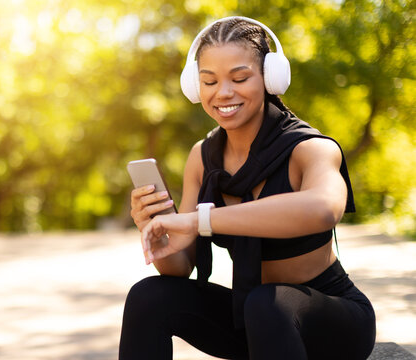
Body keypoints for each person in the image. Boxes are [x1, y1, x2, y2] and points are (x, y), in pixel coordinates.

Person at [118, 16, 376, 360]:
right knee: (148, 296)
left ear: (270, 78)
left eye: (239, 78)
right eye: (209, 81)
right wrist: (159, 230)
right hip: (257, 323)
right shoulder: (203, 157)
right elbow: (180, 267)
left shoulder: (309, 148)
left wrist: (199, 220)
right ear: (196, 87)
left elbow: (324, 208)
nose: (223, 93)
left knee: (266, 303)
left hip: (331, 322)